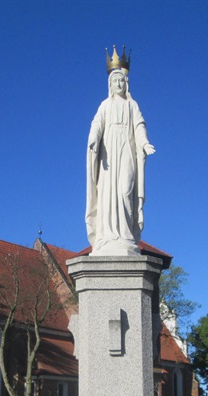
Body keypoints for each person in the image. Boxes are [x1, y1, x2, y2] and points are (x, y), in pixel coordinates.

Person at [86, 53, 155, 256]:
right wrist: (93, 139)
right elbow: (97, 124)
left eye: (121, 80)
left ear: (126, 84)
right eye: (115, 81)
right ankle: (107, 236)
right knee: (108, 192)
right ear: (110, 84)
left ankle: (125, 235)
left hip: (126, 150)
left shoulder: (132, 105)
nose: (118, 84)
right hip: (108, 153)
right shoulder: (105, 105)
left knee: (125, 190)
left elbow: (139, 126)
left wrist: (144, 143)